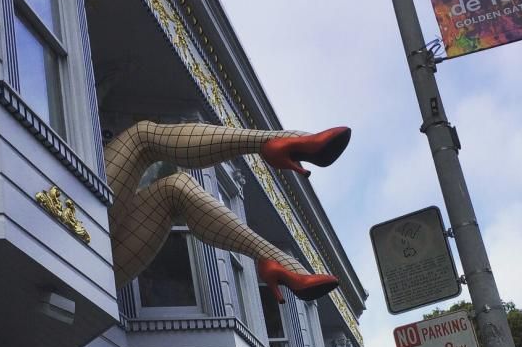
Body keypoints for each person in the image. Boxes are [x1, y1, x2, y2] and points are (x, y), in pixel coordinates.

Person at [104, 121, 350, 303]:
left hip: (98, 259)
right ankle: (278, 141)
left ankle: (276, 259)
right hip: (82, 243)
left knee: (175, 187)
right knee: (141, 136)